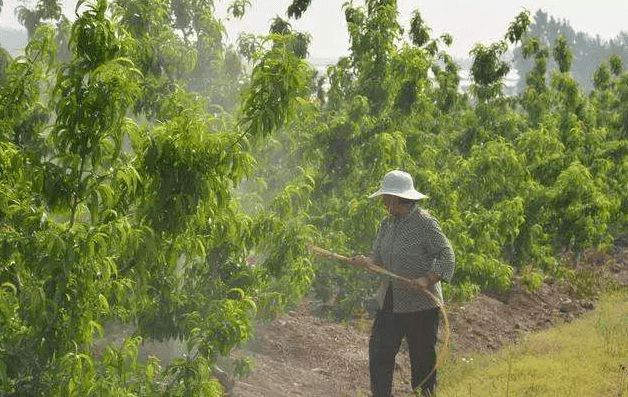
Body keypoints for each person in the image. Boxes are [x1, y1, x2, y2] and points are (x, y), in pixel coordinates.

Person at [351, 169, 455, 397]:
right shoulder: (386, 224)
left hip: (421, 305)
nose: (383, 203)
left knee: (422, 361)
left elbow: (447, 256)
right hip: (391, 300)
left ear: (398, 198)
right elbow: (378, 259)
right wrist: (366, 262)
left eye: (386, 198)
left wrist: (427, 279)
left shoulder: (425, 223)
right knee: (379, 353)